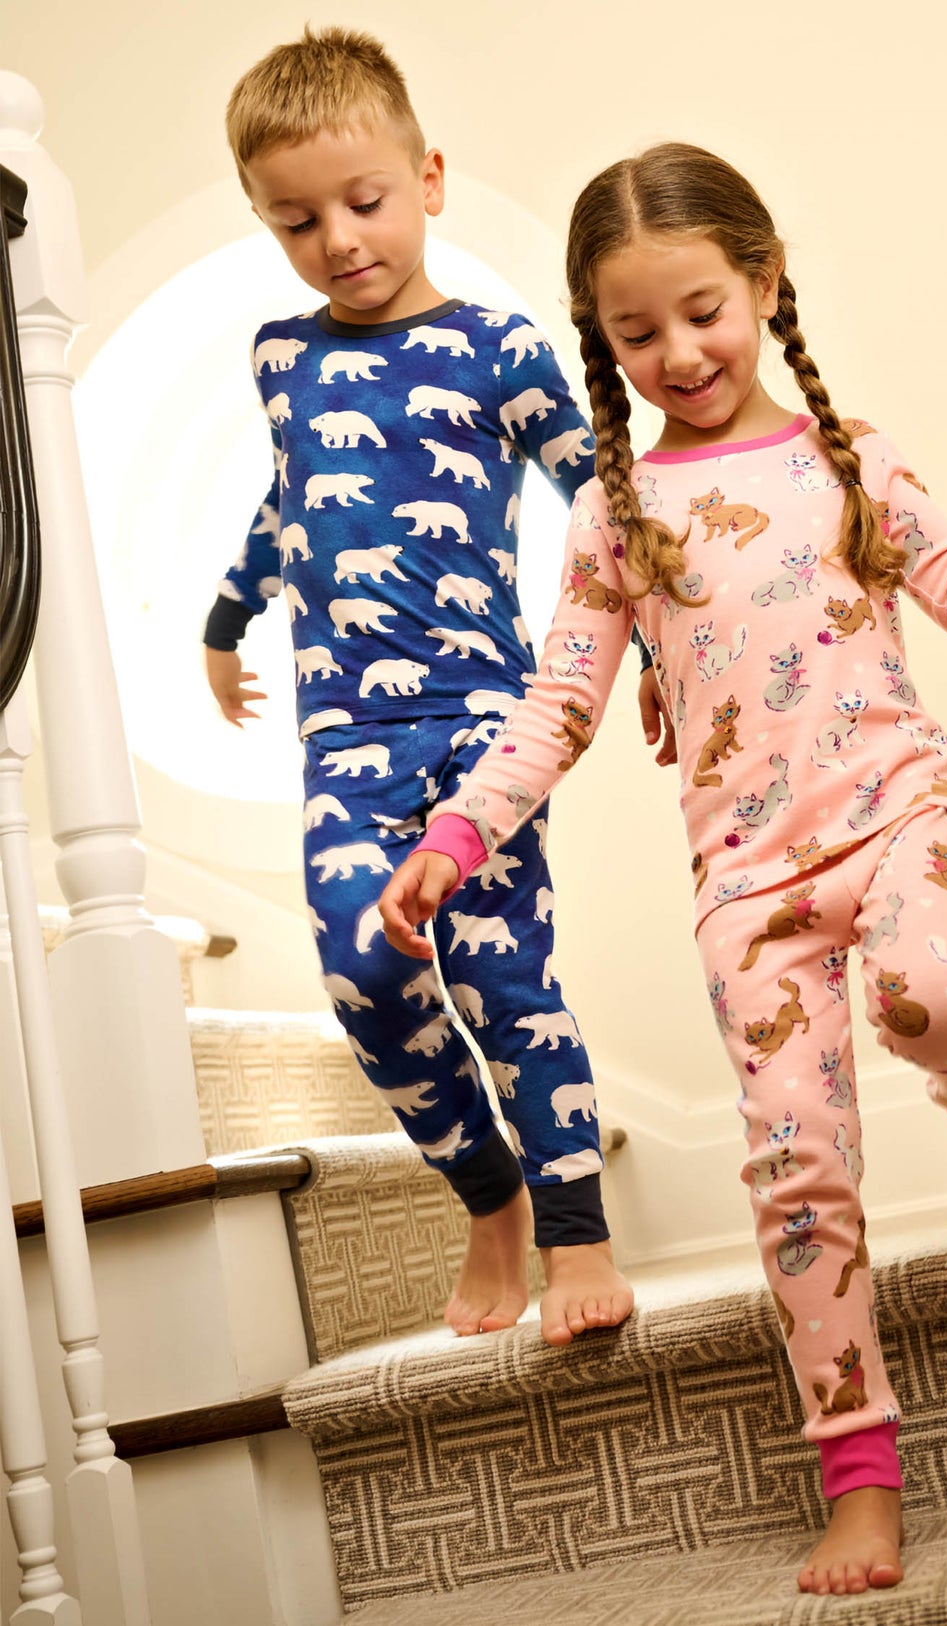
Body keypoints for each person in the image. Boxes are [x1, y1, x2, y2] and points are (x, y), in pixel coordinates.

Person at [377, 142, 947, 1594]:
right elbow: (560, 708)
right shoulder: (618, 516)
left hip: (896, 806)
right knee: (796, 1168)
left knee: (940, 998)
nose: (675, 352)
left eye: (702, 310)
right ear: (601, 339)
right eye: (633, 332)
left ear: (764, 282)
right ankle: (857, 1470)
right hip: (747, 885)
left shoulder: (847, 458)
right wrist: (458, 833)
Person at [203, 26, 632, 1348]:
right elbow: (294, 506)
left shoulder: (500, 347)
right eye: (295, 221)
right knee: (361, 977)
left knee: (509, 984)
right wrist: (227, 619)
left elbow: (605, 506)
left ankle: (578, 1234)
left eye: (363, 201)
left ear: (427, 178)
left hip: (482, 730)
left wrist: (672, 631)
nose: (336, 239)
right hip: (346, 742)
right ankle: (486, 1193)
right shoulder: (287, 358)